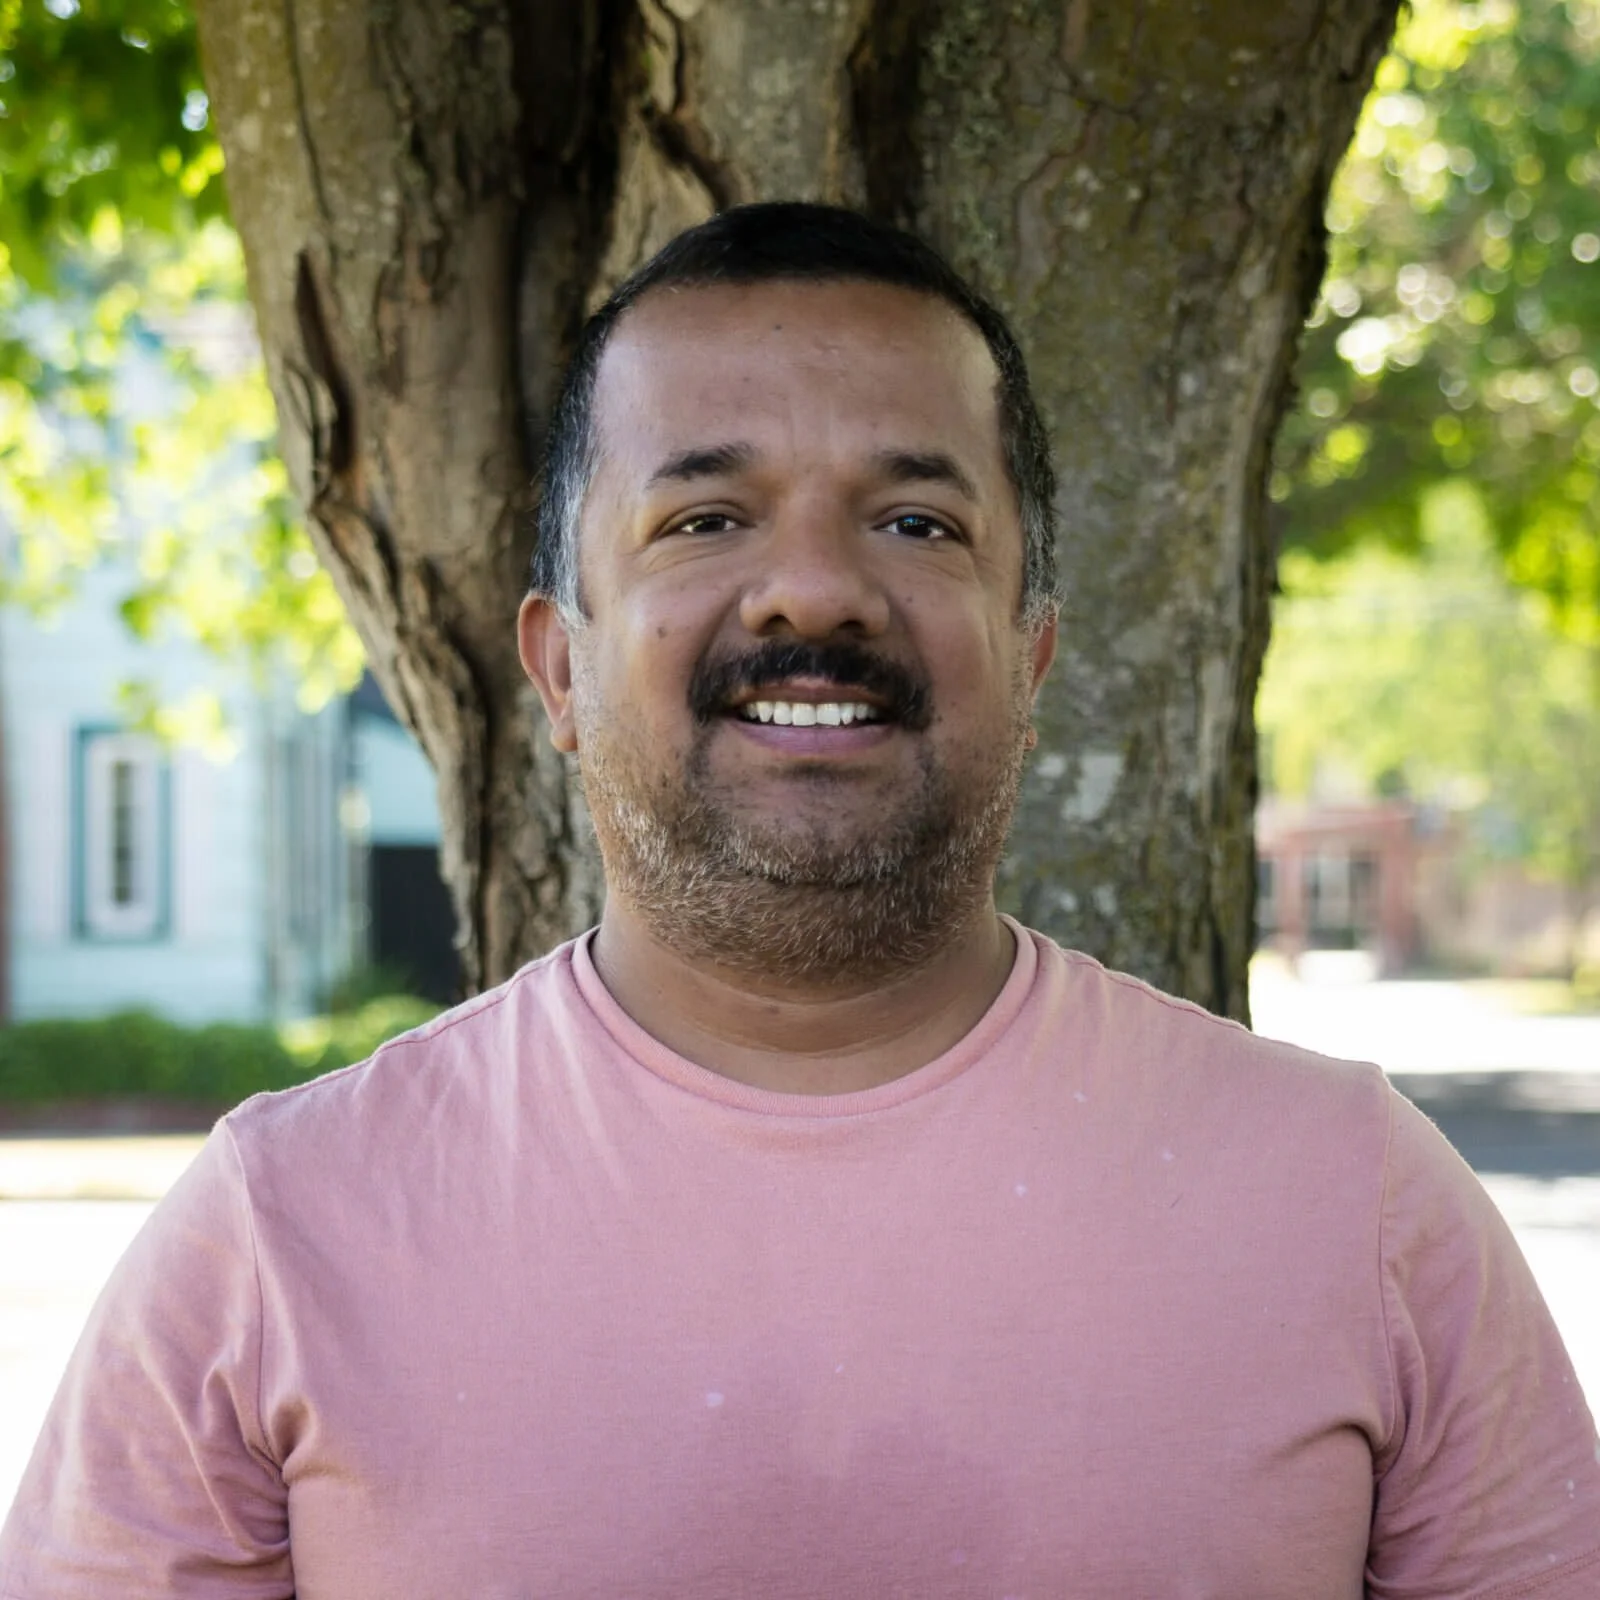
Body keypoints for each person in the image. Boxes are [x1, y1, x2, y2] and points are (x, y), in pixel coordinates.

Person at [3, 203, 1597, 1599]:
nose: (816, 589)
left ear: (1029, 655)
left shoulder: (1360, 1204)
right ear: (559, 665)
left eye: (916, 521)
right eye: (705, 518)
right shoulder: (276, 1237)